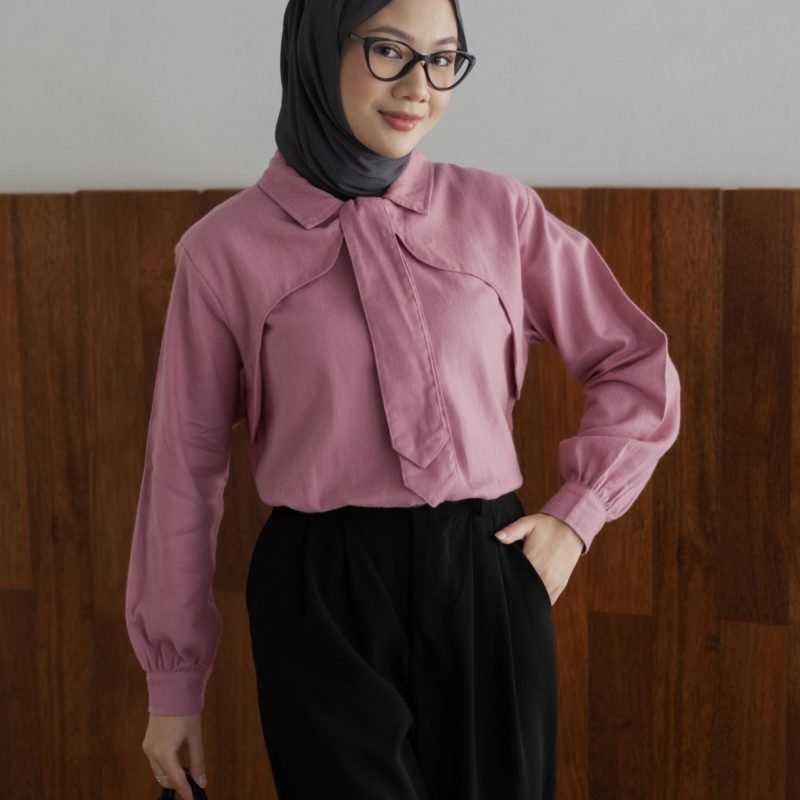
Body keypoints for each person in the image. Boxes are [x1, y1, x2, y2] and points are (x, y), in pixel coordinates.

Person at [125, 0, 681, 797]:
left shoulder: (500, 213)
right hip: (322, 595)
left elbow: (634, 362)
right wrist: (174, 683)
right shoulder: (224, 250)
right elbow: (183, 469)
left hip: (487, 573)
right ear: (319, 46)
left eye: (444, 58)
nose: (420, 86)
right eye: (389, 50)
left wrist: (576, 516)